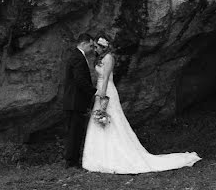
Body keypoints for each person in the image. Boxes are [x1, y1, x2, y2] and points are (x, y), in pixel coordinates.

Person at [81, 35, 201, 173]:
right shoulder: (100, 58)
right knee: (99, 119)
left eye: (96, 47)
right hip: (100, 89)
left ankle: (115, 156)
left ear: (103, 47)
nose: (94, 49)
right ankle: (98, 157)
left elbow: (107, 77)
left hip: (106, 90)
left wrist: (102, 94)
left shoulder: (109, 58)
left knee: (111, 119)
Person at [62, 33, 96, 167]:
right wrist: (93, 92)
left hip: (74, 101)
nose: (92, 49)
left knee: (75, 131)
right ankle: (71, 161)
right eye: (91, 45)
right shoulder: (78, 57)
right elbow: (80, 80)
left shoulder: (78, 55)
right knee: (74, 132)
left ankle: (72, 159)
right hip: (75, 101)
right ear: (84, 43)